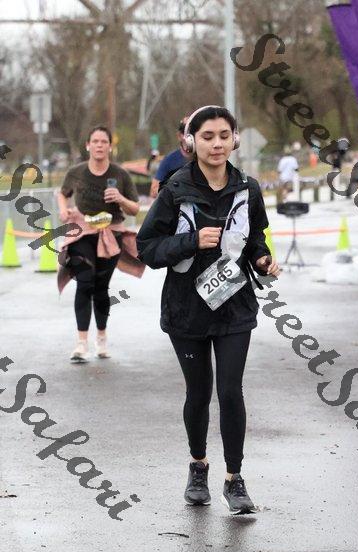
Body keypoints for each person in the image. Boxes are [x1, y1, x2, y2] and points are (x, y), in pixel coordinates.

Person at [137, 105, 280, 514]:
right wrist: (191, 241)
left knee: (230, 391)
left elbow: (254, 238)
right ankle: (198, 466)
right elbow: (147, 248)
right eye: (207, 136)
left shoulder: (248, 188)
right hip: (186, 308)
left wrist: (262, 260)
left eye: (223, 135)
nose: (216, 144)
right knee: (199, 393)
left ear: (235, 139)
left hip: (234, 306)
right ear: (191, 141)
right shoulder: (175, 189)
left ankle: (234, 479)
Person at [57, 125, 145, 363]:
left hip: (111, 234)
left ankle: (102, 338)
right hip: (82, 233)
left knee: (100, 287)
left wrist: (120, 198)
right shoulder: (76, 172)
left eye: (103, 141)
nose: (99, 145)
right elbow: (63, 193)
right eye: (94, 141)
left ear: (109, 146)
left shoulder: (120, 174)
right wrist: (64, 210)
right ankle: (81, 344)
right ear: (88, 145)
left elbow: (135, 209)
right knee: (84, 282)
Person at [149, 118, 189, 198]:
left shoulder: (207, 159)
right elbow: (154, 191)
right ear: (179, 135)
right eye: (187, 133)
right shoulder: (169, 160)